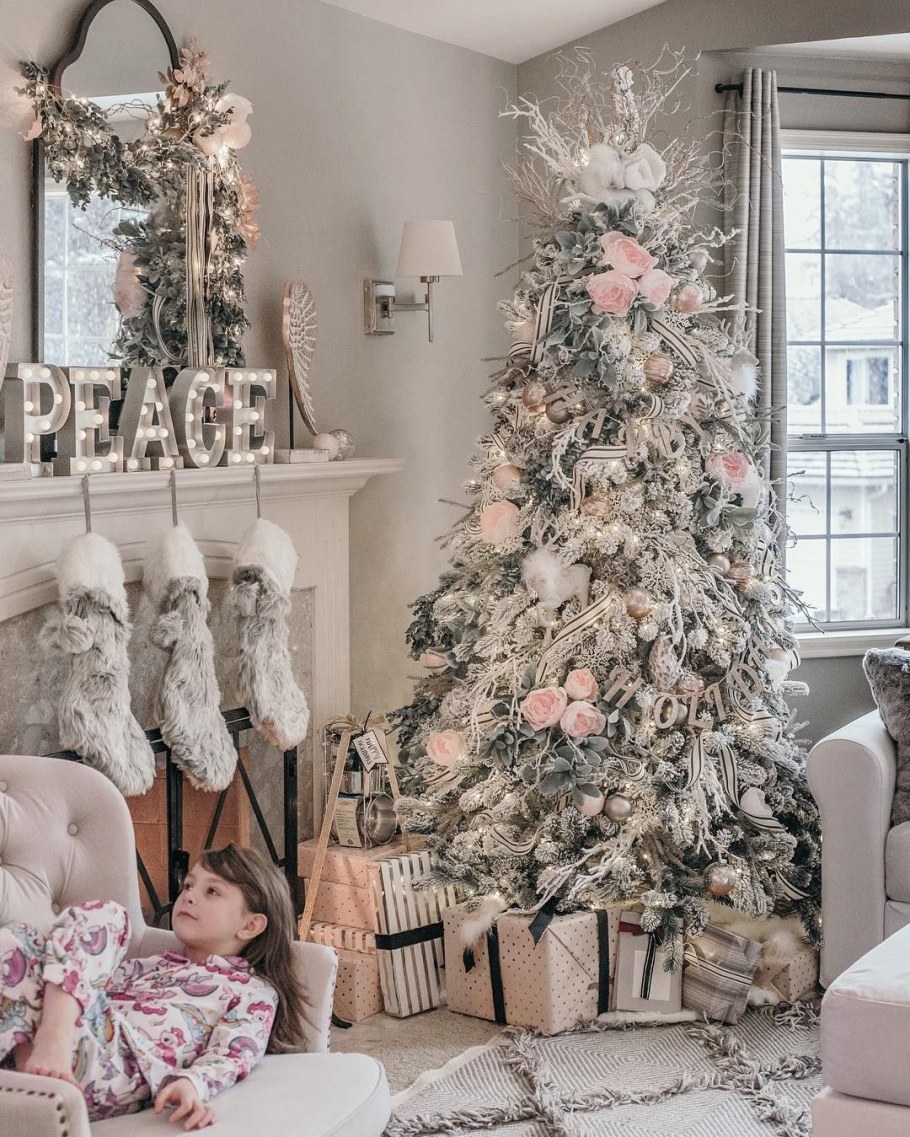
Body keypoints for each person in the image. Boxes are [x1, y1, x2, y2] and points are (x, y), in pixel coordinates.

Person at [0, 844, 306, 1130]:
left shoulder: (250, 989)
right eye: (189, 885)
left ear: (250, 925)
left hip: (114, 1068)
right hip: (53, 1043)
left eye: (212, 891)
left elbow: (235, 1052)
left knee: (110, 915)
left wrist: (192, 1083)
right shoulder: (148, 965)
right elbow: (81, 984)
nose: (189, 896)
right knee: (17, 940)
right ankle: (37, 1061)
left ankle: (53, 1041)